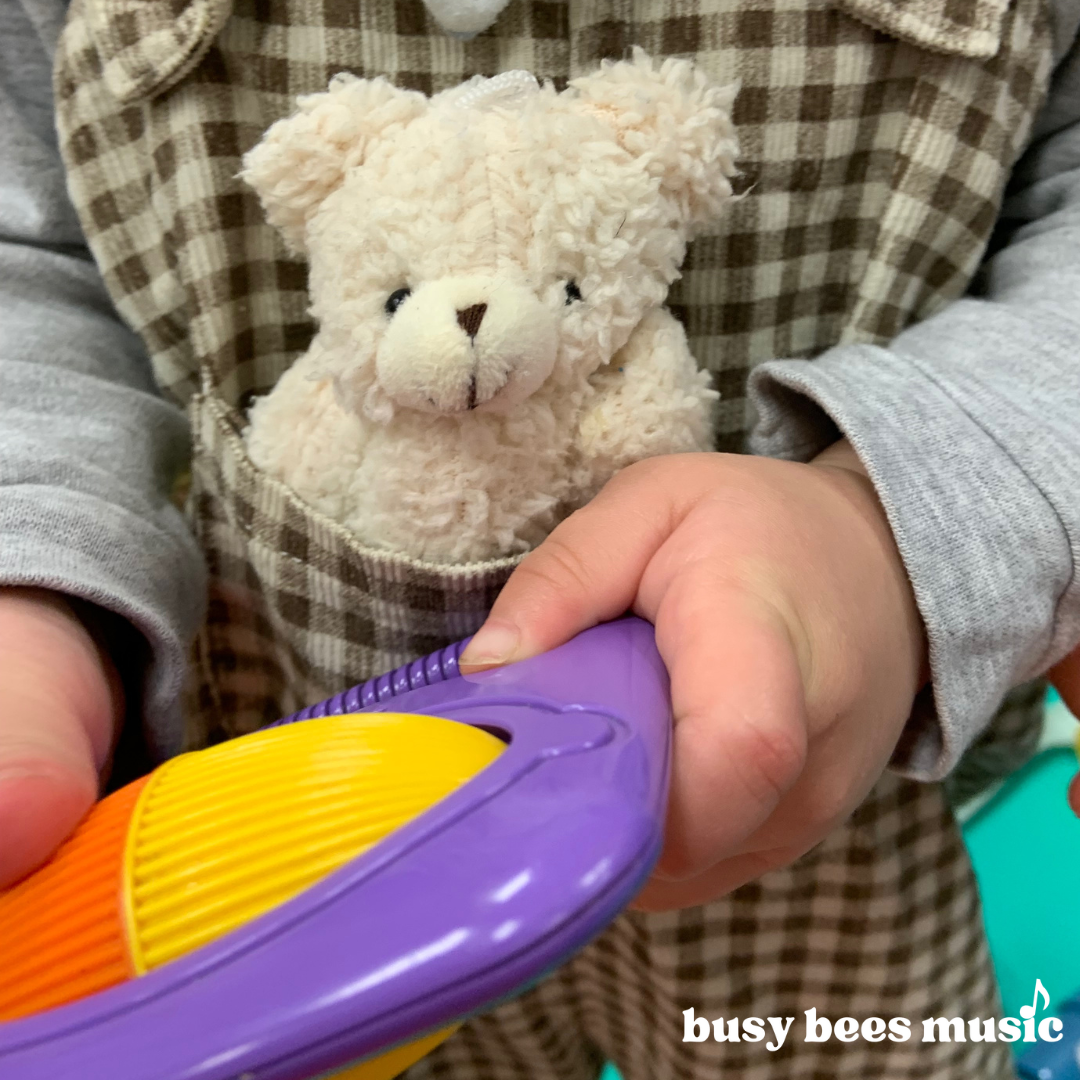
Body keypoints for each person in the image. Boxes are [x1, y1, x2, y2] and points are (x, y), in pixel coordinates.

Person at [1, 0, 1079, 1075]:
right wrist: (35, 585)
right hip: (292, 847)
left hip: (826, 825)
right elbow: (30, 253)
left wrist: (888, 523)